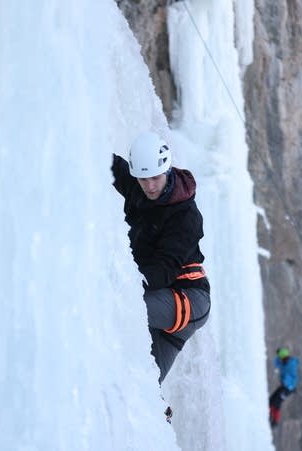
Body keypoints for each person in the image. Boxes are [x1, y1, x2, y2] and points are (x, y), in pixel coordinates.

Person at [111, 131, 211, 388]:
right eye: (143, 180)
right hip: (167, 306)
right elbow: (108, 164)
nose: (150, 186)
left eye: (155, 178)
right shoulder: (138, 187)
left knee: (115, 307)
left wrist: (124, 281)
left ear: (166, 171)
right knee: (143, 387)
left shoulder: (186, 216)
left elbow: (163, 270)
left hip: (188, 299)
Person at [269, 347, 300, 427]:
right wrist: (278, 354)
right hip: (284, 387)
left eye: (283, 358)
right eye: (282, 358)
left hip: (288, 388)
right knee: (272, 400)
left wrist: (288, 383)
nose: (282, 360)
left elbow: (292, 376)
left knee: (276, 401)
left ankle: (274, 420)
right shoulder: (283, 362)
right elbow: (276, 362)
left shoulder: (291, 364)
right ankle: (271, 417)